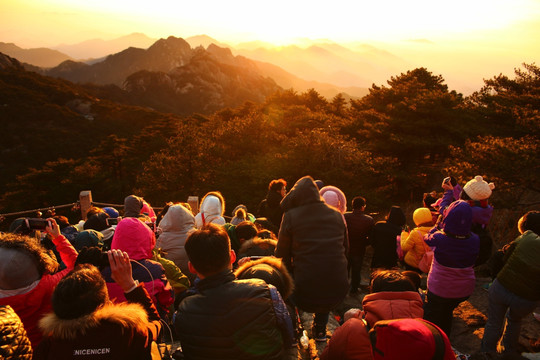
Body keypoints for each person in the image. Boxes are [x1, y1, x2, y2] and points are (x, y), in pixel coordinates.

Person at [174, 224, 293, 359]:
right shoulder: (266, 291)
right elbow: (288, 338)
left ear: (191, 267)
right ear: (232, 256)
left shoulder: (183, 311)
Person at [34, 250, 163, 359]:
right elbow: (155, 324)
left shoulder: (50, 344)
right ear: (106, 303)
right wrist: (130, 286)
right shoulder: (129, 333)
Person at [276, 175, 349, 342]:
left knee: (289, 281)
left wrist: (289, 279)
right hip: (338, 287)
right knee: (324, 272)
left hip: (304, 291)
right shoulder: (337, 215)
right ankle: (320, 330)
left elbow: (281, 255)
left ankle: (294, 326)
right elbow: (345, 251)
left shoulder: (291, 216)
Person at [0, 220, 78, 349]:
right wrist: (58, 238)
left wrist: (11, 242)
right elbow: (78, 266)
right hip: (47, 351)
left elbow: (8, 263)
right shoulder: (50, 285)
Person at [320, 270, 426, 360]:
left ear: (373, 294)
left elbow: (327, 356)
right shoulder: (432, 333)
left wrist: (346, 324)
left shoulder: (353, 329)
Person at [481, 211, 540, 356]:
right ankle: (508, 352)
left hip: (502, 287)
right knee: (514, 321)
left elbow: (504, 255)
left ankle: (487, 353)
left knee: (494, 322)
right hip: (526, 299)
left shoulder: (526, 237)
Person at [423, 200, 480, 336]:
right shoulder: (475, 239)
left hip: (439, 289)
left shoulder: (439, 238)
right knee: (447, 311)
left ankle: (434, 342)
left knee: (432, 317)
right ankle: (446, 339)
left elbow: (426, 237)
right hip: (463, 290)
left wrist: (438, 224)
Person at [101, 217, 174, 318]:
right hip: (149, 322)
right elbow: (168, 299)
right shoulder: (154, 269)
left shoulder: (102, 270)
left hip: (115, 325)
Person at [155, 203, 197, 282]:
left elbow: (157, 256)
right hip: (194, 277)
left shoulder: (163, 238)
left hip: (175, 279)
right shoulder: (196, 234)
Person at [344, 196, 375, 294]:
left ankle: (342, 290)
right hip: (359, 248)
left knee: (344, 270)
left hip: (345, 248)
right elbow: (371, 237)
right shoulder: (369, 220)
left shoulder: (345, 216)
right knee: (356, 271)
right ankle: (354, 290)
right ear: (362, 207)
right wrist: (364, 243)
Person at [400, 207, 434, 273]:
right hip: (429, 262)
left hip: (414, 264)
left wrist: (404, 233)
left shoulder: (415, 233)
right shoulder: (436, 230)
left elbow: (405, 247)